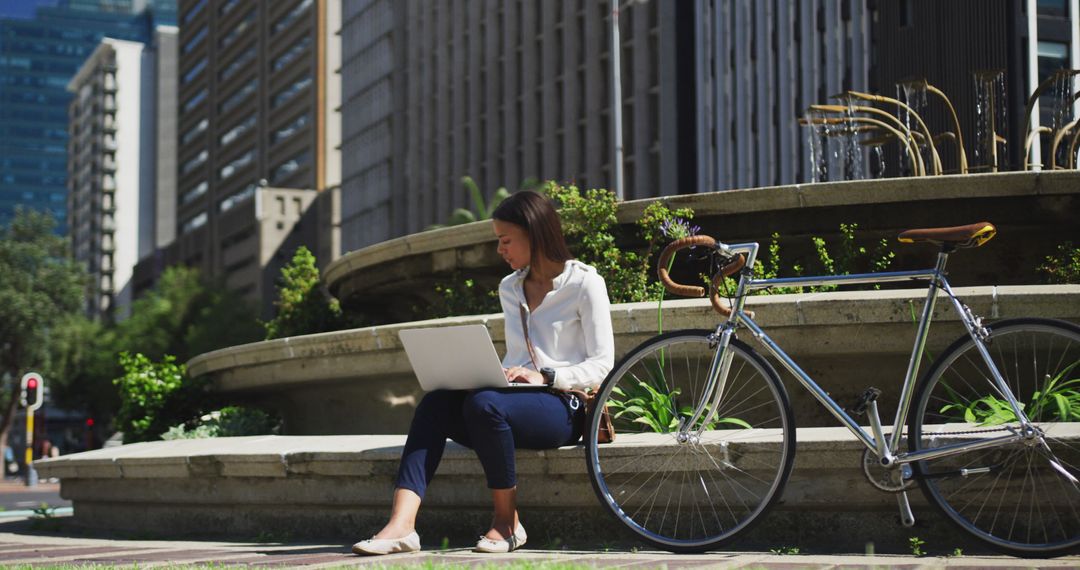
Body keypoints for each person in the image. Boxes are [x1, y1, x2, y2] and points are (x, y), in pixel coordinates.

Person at [352, 190, 615, 555]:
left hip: (564, 407)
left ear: (534, 234)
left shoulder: (585, 283)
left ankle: (508, 524)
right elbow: (522, 352)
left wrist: (548, 377)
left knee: (484, 405)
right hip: (513, 401)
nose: (500, 250)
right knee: (436, 404)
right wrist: (504, 370)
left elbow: (603, 363)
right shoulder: (510, 288)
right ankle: (402, 526)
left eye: (505, 241)